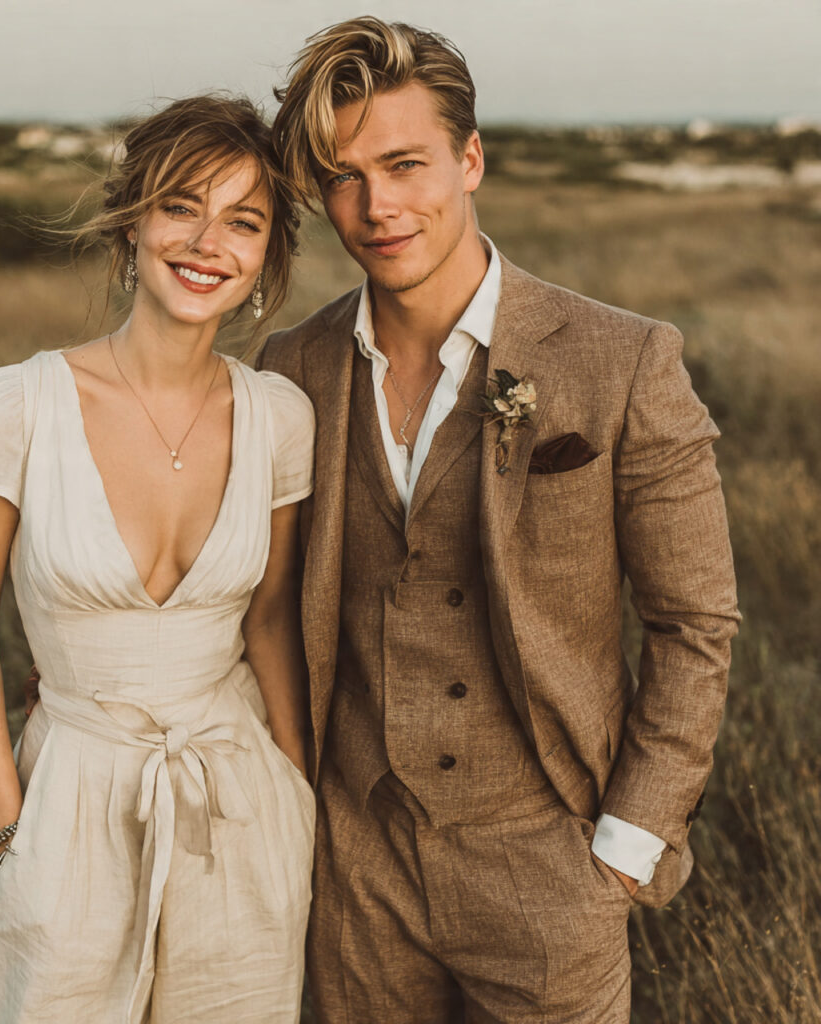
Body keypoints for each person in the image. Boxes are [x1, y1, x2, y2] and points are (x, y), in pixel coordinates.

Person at [259, 17, 740, 1023]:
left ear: (470, 159)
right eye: (344, 178)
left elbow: (695, 624)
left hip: (550, 867)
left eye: (405, 165)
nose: (378, 207)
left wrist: (624, 848)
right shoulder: (291, 368)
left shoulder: (623, 359)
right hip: (356, 871)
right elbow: (253, 601)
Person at [0, 95, 316, 1023]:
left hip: (238, 802)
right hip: (68, 799)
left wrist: (299, 794)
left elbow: (269, 622)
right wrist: (8, 830)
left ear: (267, 254)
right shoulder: (16, 408)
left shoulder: (278, 418)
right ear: (132, 223)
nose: (207, 243)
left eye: (244, 221)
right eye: (181, 207)